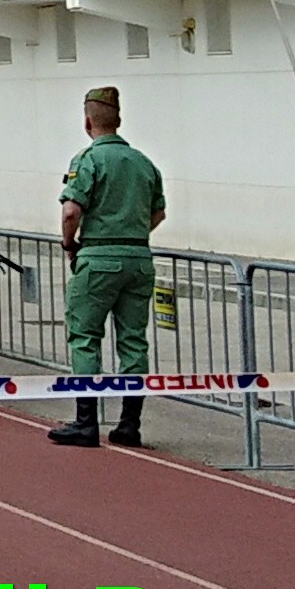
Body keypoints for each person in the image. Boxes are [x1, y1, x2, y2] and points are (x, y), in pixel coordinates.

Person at [48, 85, 167, 450]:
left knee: (85, 337)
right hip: (138, 258)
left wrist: (69, 243)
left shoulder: (87, 160)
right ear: (119, 120)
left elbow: (71, 211)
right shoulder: (144, 163)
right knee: (133, 341)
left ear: (87, 122)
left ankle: (86, 423)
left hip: (98, 258)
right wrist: (129, 233)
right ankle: (129, 425)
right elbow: (158, 212)